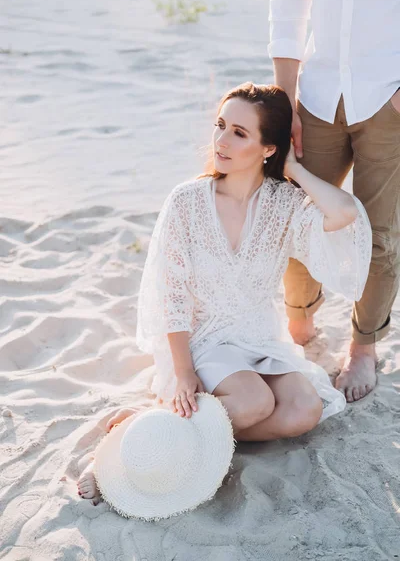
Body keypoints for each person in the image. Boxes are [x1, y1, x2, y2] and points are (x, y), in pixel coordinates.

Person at [77, 82, 372, 503]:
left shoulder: (284, 203)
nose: (221, 140)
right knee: (253, 403)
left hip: (260, 337)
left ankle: (182, 433)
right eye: (220, 125)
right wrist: (183, 372)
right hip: (205, 339)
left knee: (304, 410)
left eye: (239, 132)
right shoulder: (188, 201)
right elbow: (172, 294)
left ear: (269, 148)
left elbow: (344, 213)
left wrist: (296, 171)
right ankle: (136, 441)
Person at [268, 0, 400, 403]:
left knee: (377, 234)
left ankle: (364, 345)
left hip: (388, 99)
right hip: (317, 95)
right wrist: (284, 101)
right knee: (299, 218)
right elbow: (288, 3)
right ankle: (300, 323)